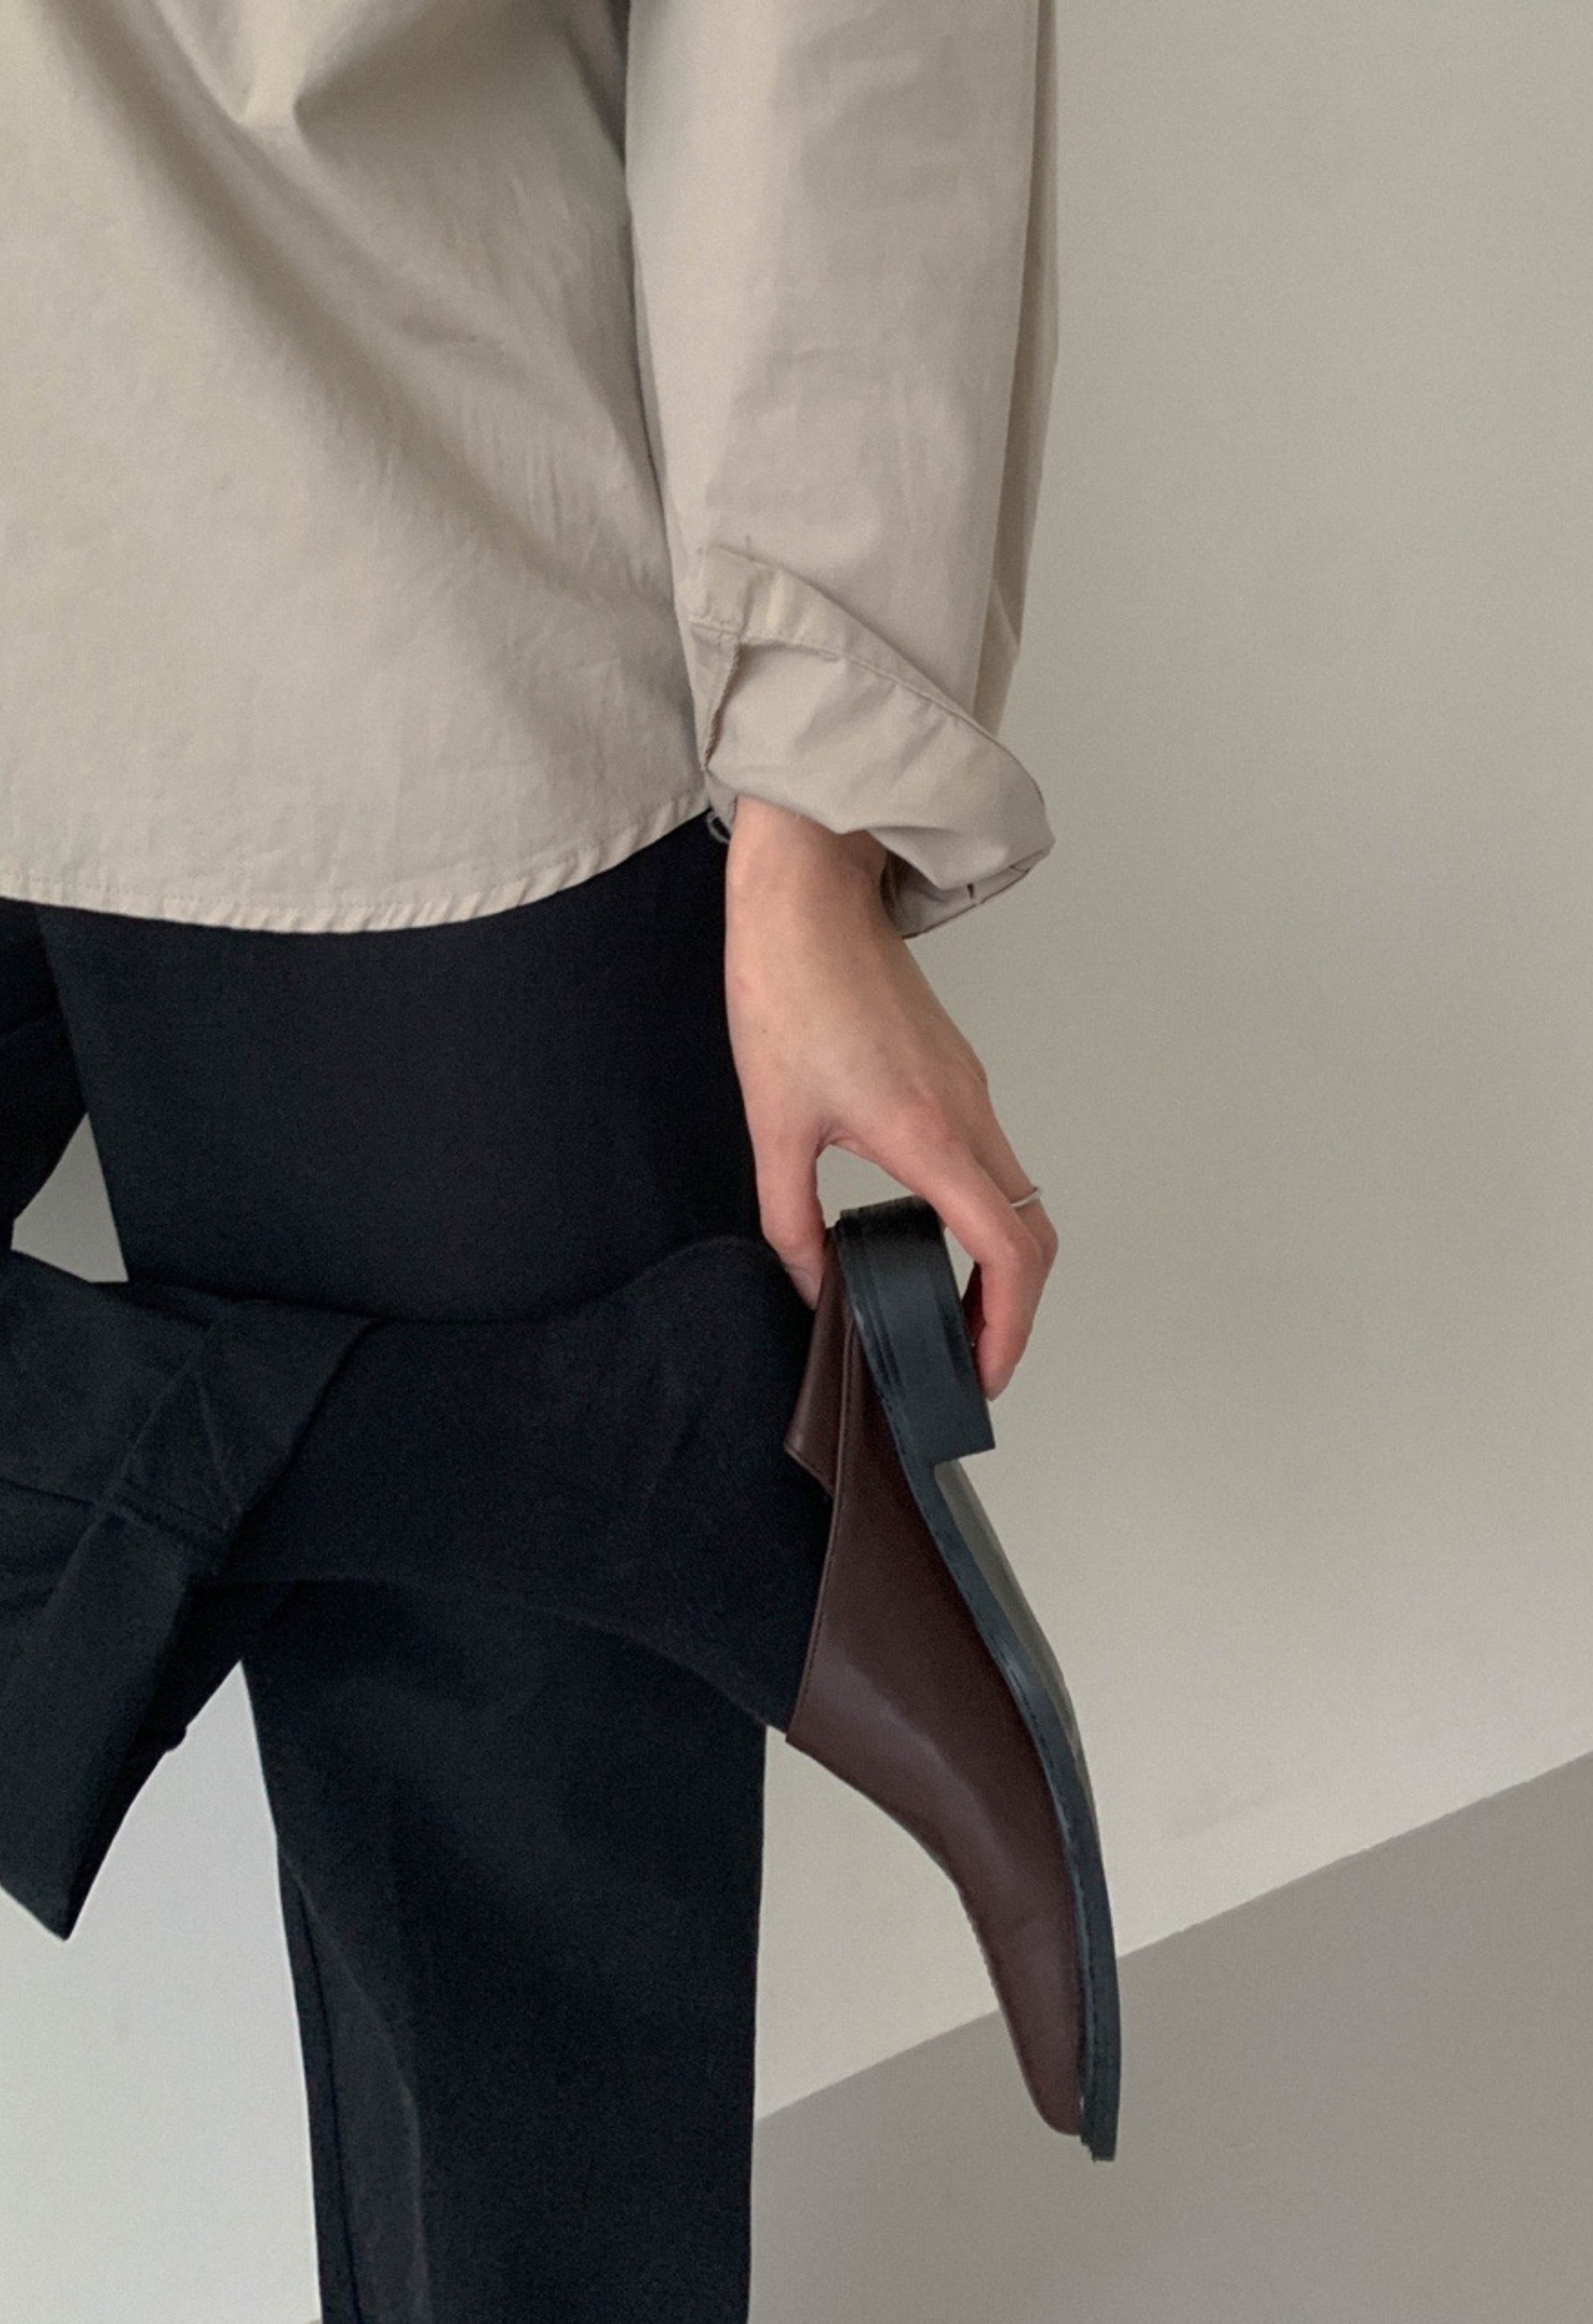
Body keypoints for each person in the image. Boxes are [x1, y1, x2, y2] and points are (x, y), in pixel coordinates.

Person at [2, 0, 1064, 2313]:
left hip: (336, 466)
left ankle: (584, 1488)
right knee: (498, 1659)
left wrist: (810, 815)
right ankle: (608, 1471)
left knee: (496, 1952)